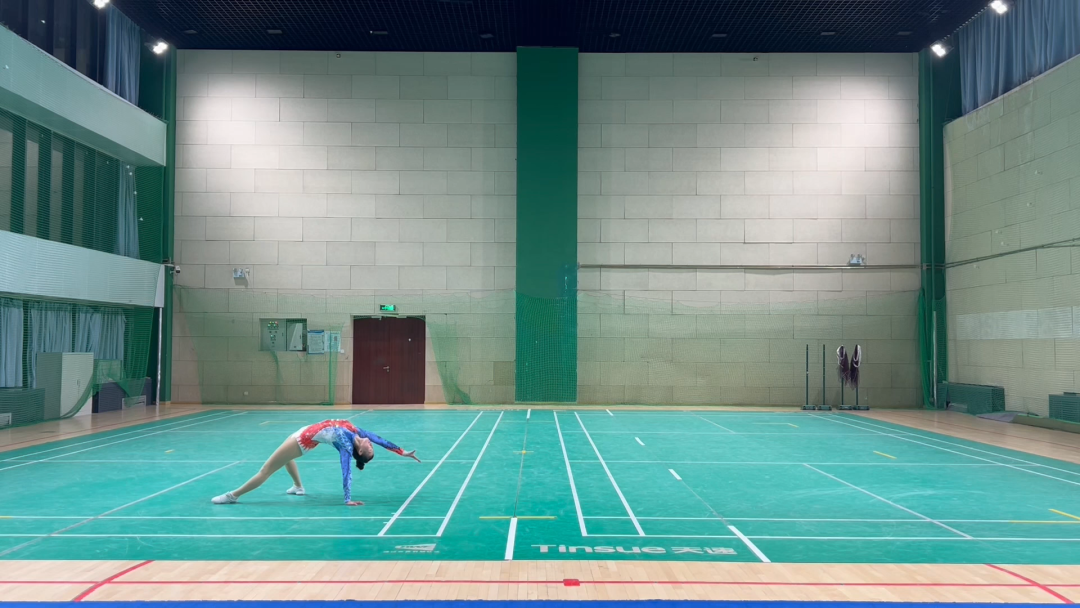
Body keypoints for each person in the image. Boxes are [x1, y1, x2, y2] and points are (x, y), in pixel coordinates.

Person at [211, 419, 420, 506]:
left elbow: (346, 471)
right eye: (371, 447)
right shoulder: (360, 434)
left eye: (370, 449)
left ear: (359, 451)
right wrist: (402, 452)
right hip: (305, 432)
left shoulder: (347, 446)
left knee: (266, 470)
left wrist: (347, 499)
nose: (371, 444)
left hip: (302, 441)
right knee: (286, 459)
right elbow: (381, 440)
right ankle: (298, 486)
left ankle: (233, 496)